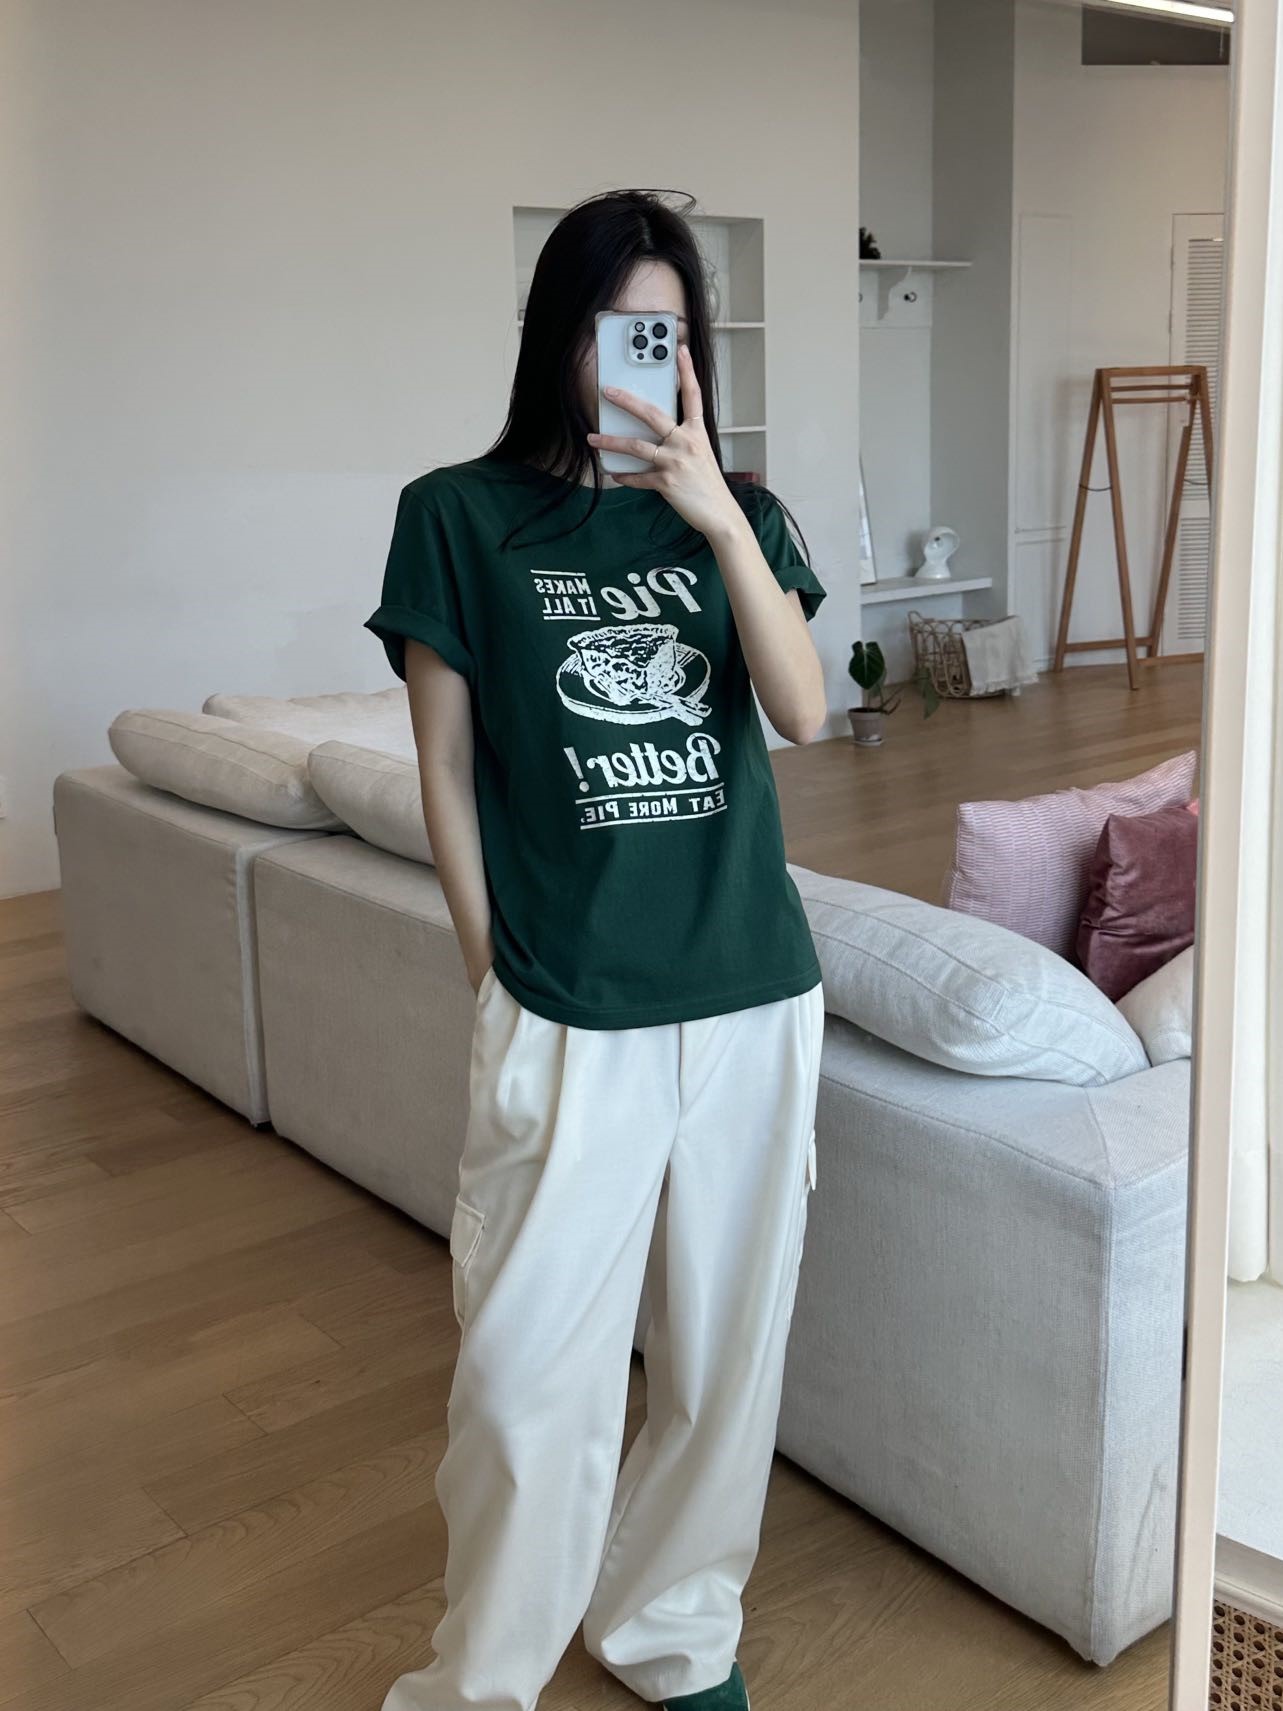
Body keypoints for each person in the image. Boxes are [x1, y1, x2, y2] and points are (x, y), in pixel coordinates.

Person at [364, 186, 828, 1711]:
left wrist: (714, 515)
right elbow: (443, 767)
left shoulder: (742, 516)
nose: (643, 357)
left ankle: (672, 1629)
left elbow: (804, 711)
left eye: (669, 334)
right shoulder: (457, 515)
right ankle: (479, 1680)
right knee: (521, 1378)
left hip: (750, 991)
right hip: (567, 1004)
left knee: (722, 1365)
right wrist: (490, 959)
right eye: (616, 328)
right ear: (557, 335)